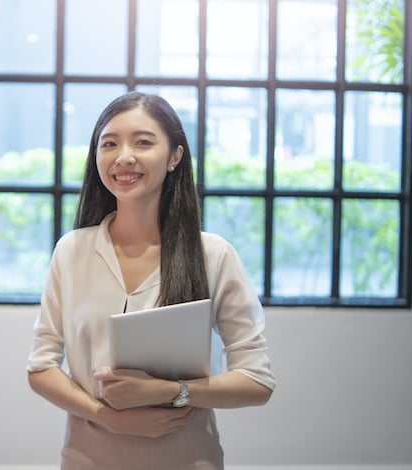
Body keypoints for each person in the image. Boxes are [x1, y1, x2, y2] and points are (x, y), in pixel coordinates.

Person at [26, 91, 276, 469]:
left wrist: (175, 392)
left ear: (175, 156)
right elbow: (41, 367)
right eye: (109, 143)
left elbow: (257, 381)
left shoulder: (213, 254)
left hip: (187, 459)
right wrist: (104, 414)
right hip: (87, 459)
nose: (124, 156)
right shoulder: (72, 250)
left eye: (143, 142)